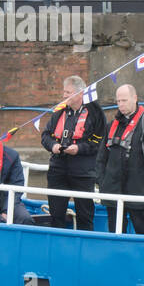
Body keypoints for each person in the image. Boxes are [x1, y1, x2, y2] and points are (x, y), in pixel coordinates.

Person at [95, 84, 144, 235]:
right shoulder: (111, 126)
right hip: (113, 191)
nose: (120, 104)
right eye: (118, 101)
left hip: (138, 190)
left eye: (124, 100)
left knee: (143, 230)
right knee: (115, 231)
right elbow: (101, 157)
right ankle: (118, 256)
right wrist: (102, 182)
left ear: (135, 98)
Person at [41, 75, 105, 231]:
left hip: (83, 171)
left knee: (85, 215)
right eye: (64, 92)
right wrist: (53, 146)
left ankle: (86, 247)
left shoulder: (95, 112)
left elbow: (100, 141)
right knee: (56, 214)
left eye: (68, 92)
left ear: (80, 93)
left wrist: (79, 149)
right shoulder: (59, 111)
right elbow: (45, 135)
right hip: (58, 169)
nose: (64, 96)